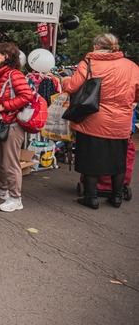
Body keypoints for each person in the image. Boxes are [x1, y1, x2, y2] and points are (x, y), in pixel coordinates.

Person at [62, 33, 139, 209]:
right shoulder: (131, 66)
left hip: (92, 121)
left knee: (90, 160)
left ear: (96, 46)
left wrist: (65, 80)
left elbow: (72, 86)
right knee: (118, 161)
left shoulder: (88, 64)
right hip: (121, 123)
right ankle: (116, 197)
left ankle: (91, 198)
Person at [0, 42, 33, 213]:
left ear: (6, 57)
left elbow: (27, 96)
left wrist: (3, 107)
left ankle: (16, 199)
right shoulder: (2, 74)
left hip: (13, 125)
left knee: (10, 163)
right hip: (2, 123)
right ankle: (2, 189)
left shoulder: (14, 75)